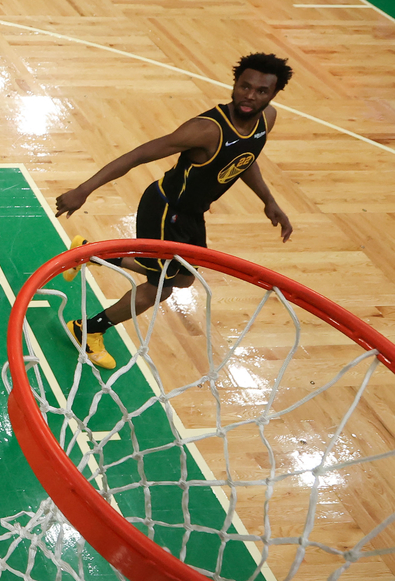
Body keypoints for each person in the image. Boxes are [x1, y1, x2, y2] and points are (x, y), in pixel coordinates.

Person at [54, 53, 295, 369]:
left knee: (184, 280)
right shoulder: (205, 130)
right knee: (160, 289)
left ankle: (87, 253)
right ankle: (87, 329)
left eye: (261, 91)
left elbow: (243, 160)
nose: (250, 96)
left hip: (192, 214)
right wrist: (84, 190)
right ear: (235, 84)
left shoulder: (267, 120)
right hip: (166, 210)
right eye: (244, 86)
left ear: (274, 95)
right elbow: (139, 154)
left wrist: (269, 200)